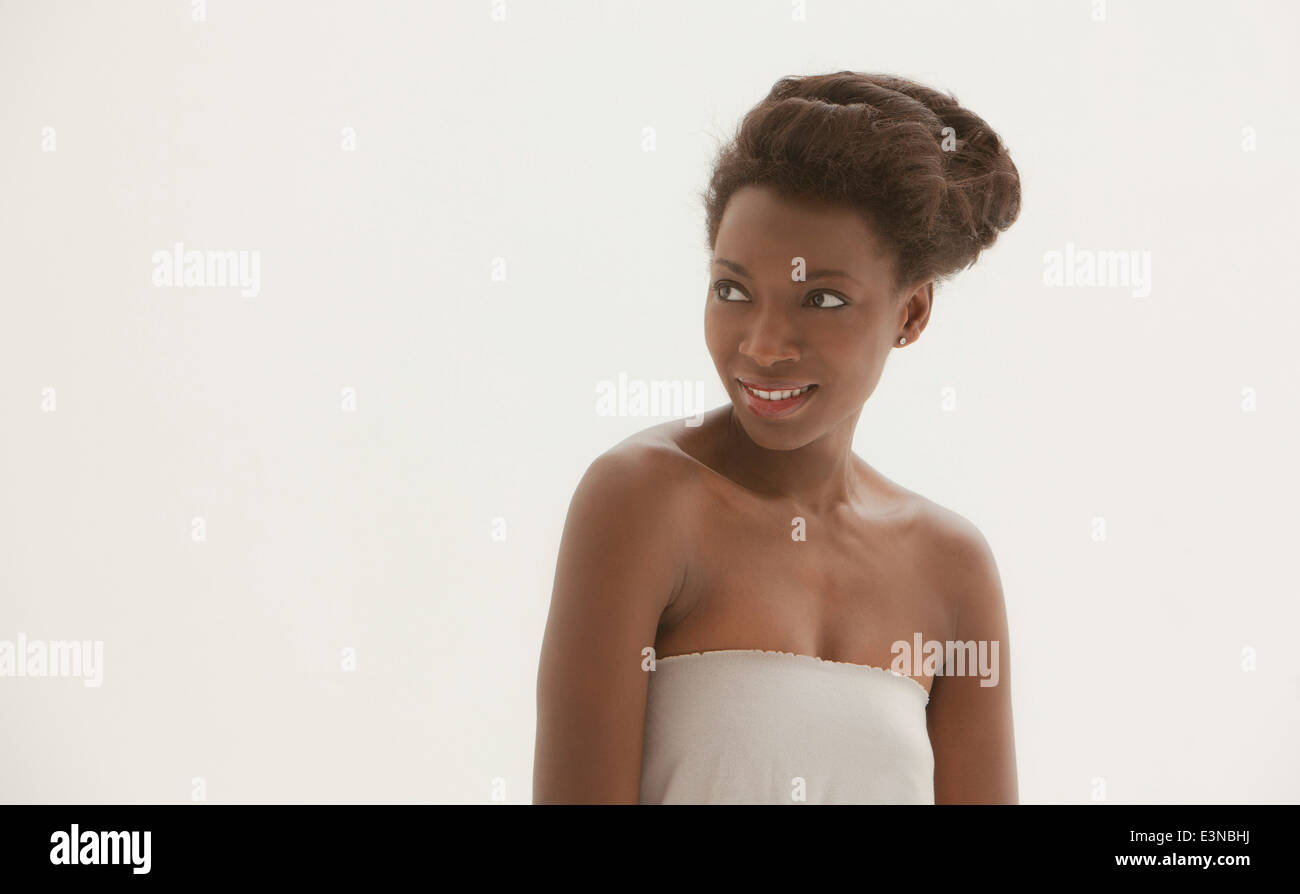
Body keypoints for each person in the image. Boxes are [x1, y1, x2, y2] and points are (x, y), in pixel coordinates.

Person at [533, 71, 1022, 804]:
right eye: (733, 289)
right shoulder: (642, 503)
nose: (762, 347)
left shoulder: (953, 570)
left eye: (821, 299)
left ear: (911, 314)